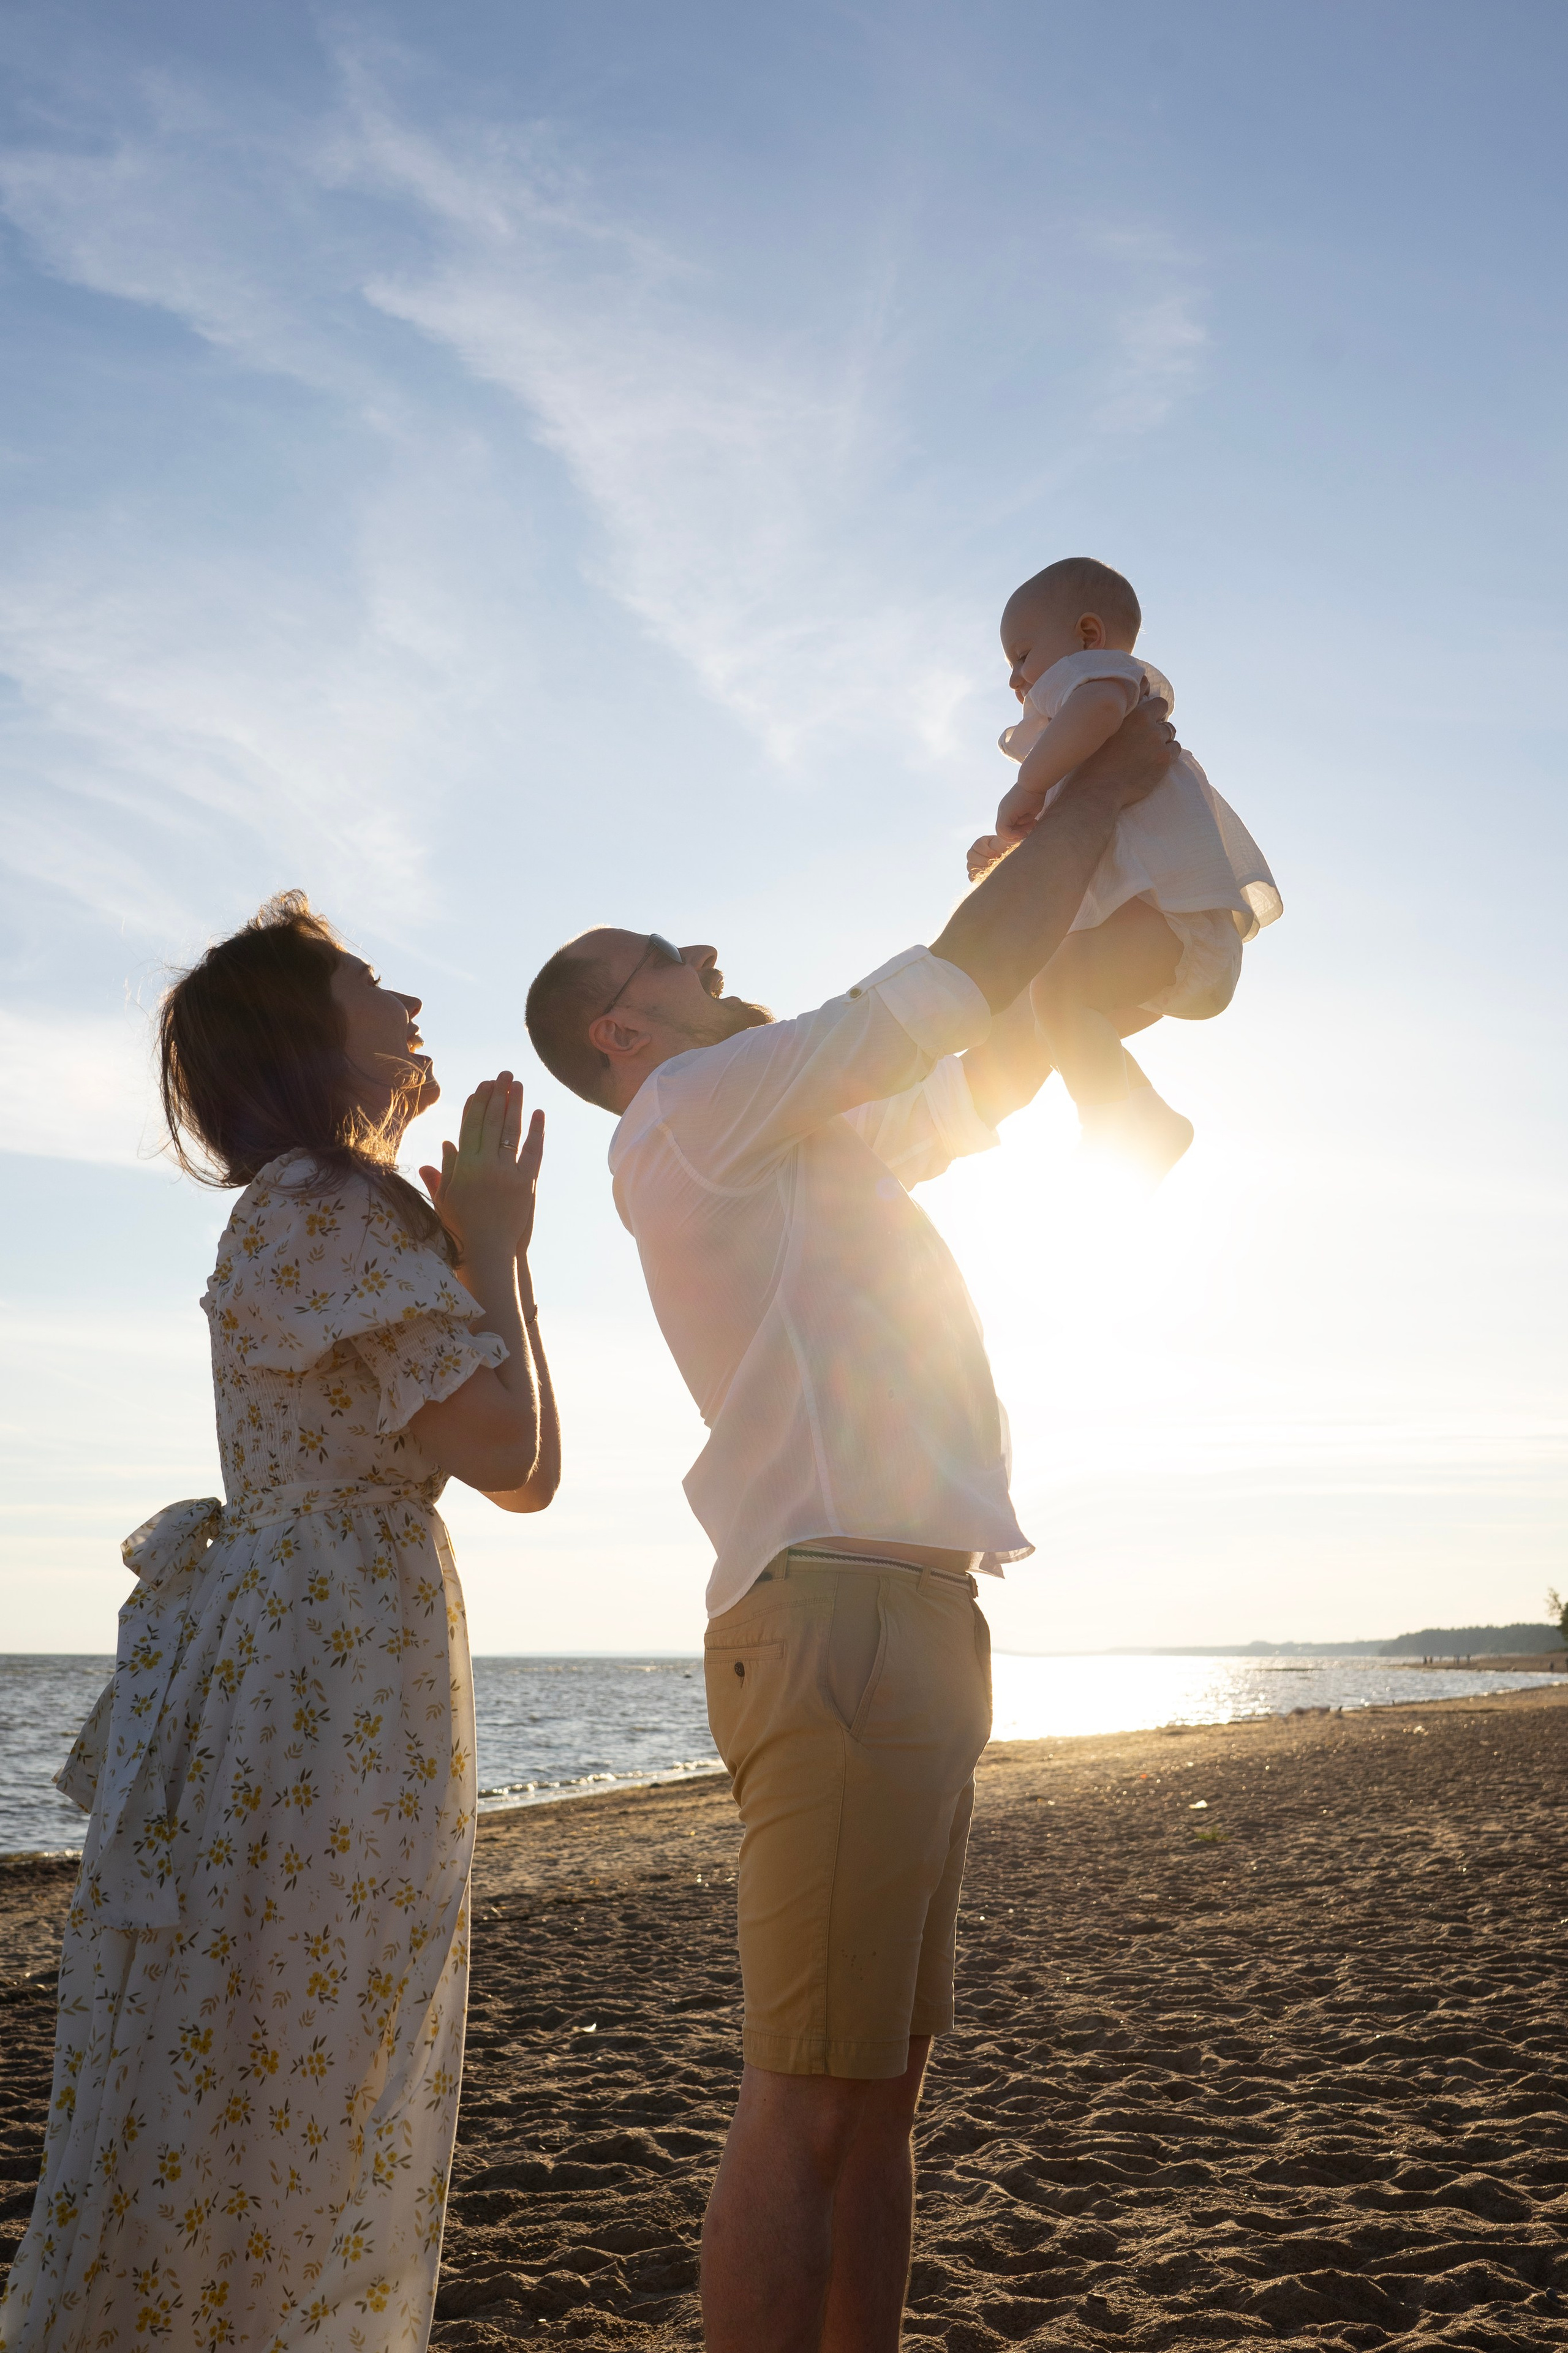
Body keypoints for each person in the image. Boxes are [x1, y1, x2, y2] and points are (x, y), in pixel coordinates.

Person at [523, 696, 1177, 2353]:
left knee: (878, 2098)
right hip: (837, 1627)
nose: (708, 948)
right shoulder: (690, 1114)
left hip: (918, 1622)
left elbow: (984, 1061)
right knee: (808, 2107)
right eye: (668, 951)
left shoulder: (800, 1140)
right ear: (618, 1033)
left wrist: (1064, 910)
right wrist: (1087, 806)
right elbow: (935, 990)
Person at [0, 892, 559, 2353]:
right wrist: (492, 1246)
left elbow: (524, 1467)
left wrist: (492, 1245)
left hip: (338, 1640)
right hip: (324, 1657)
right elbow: (509, 1450)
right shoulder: (320, 1203)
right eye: (374, 984)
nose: (410, 1005)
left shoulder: (347, 1208)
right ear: (309, 1034)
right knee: (306, 2042)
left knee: (303, 2030)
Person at [967, 557, 1281, 1180]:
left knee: (1055, 994)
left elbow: (1099, 710)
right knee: (1059, 1019)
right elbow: (1086, 831)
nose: (1015, 678)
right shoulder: (1078, 732)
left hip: (1163, 918)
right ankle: (1146, 1119)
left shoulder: (1094, 680)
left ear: (1087, 635)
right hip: (1162, 932)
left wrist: (1025, 787)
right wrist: (1008, 851)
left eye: (1022, 655)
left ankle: (1113, 1126)